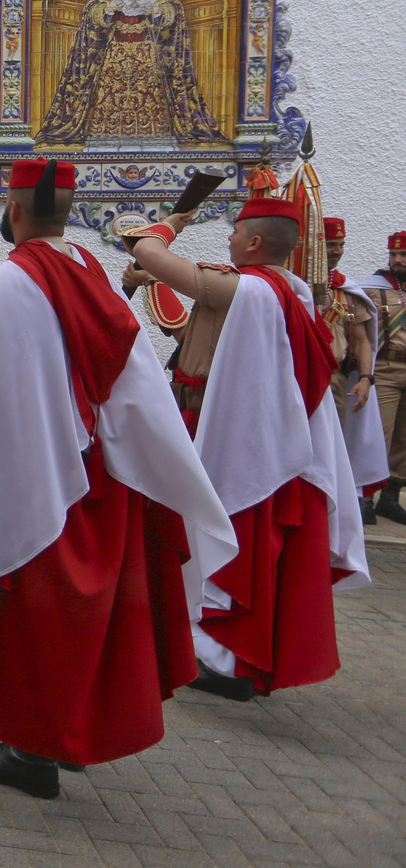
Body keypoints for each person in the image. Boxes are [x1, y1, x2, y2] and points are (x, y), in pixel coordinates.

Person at [0, 157, 236, 800]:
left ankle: (31, 754)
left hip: (35, 480)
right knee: (82, 616)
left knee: (40, 615)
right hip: (106, 472)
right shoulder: (94, 272)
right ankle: (65, 732)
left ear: (15, 209)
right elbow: (134, 376)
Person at [130, 198, 370, 702]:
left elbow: (148, 250)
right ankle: (212, 646)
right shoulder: (291, 292)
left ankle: (217, 653)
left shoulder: (242, 287)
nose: (230, 240)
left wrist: (172, 223)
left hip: (220, 426)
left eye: (237, 233)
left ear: (256, 243)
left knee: (213, 530)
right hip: (241, 424)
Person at [322, 218, 387, 522]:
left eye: (340, 245)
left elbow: (361, 341)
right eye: (330, 244)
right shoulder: (289, 283)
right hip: (288, 381)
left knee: (330, 452)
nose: (336, 251)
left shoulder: (344, 291)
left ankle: (329, 516)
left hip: (332, 382)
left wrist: (365, 378)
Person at [361, 231, 406, 523]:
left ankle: (390, 497)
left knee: (404, 438)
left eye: (403, 255)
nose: (398, 260)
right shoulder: (374, 287)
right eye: (394, 255)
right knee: (377, 434)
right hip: (387, 368)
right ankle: (364, 496)